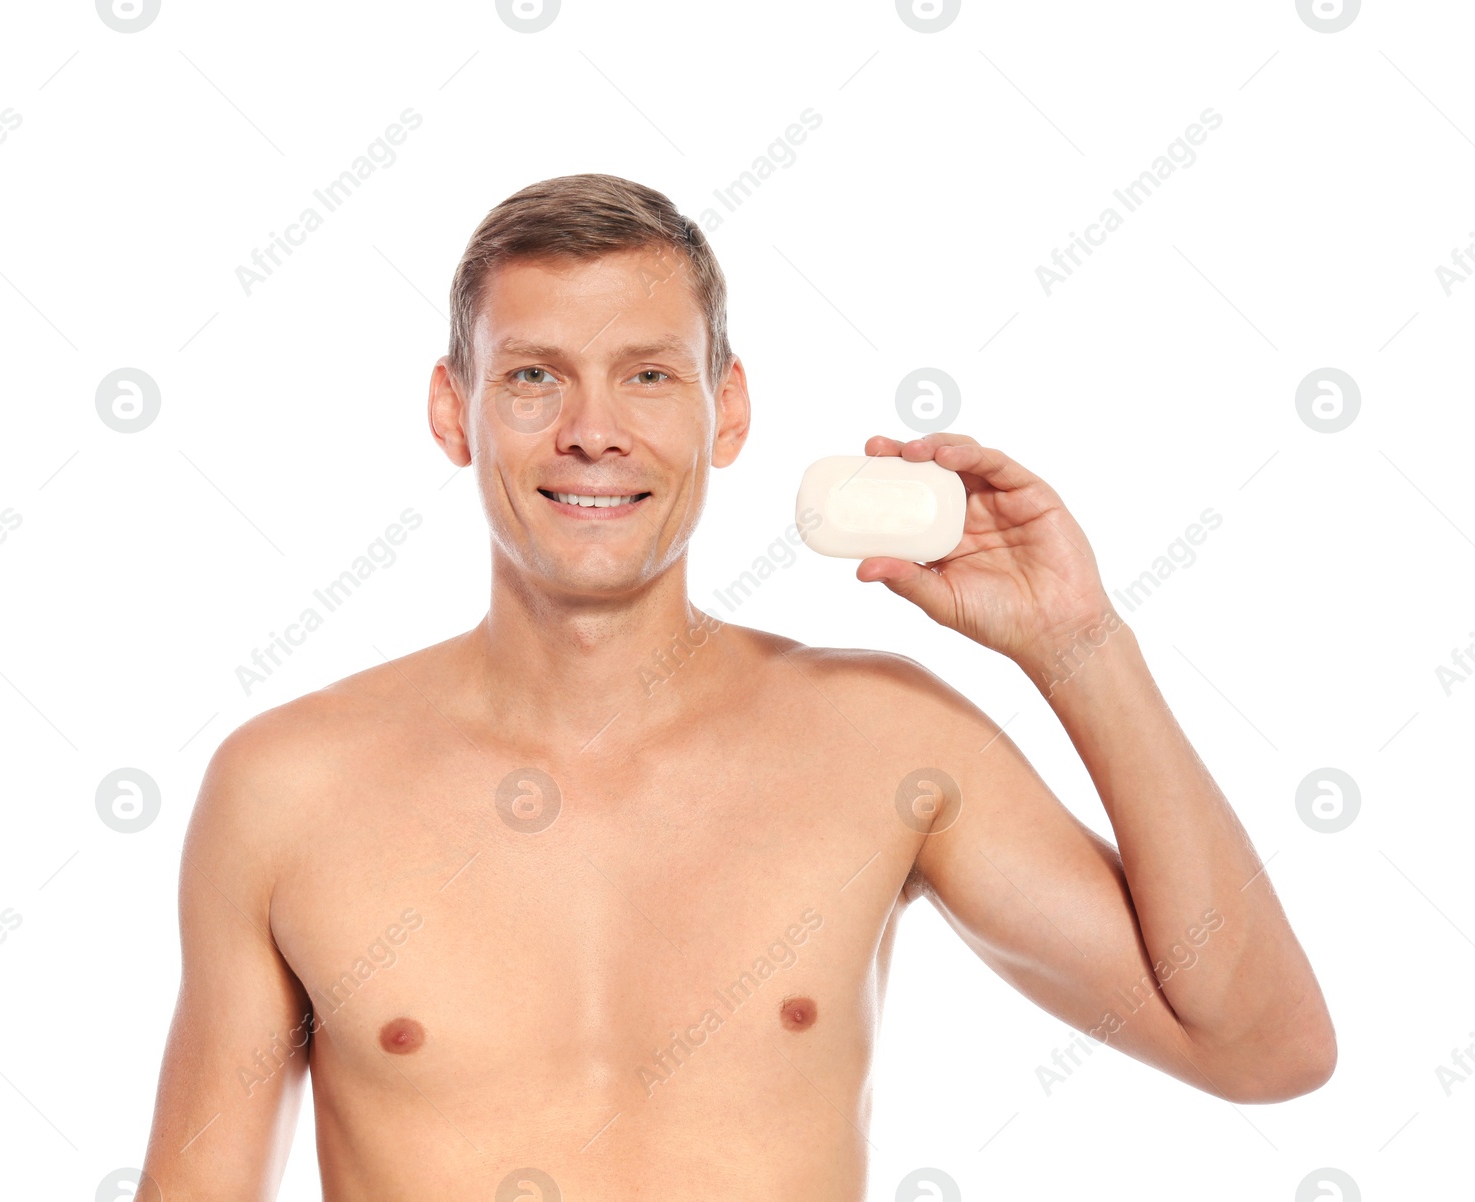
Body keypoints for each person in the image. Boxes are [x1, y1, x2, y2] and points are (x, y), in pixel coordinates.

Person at [135, 173, 1334, 1200]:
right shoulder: (287, 788)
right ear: (457, 411)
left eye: (649, 375)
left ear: (729, 409)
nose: (591, 430)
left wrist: (1080, 642)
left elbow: (1263, 1046)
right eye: (534, 377)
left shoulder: (883, 744)